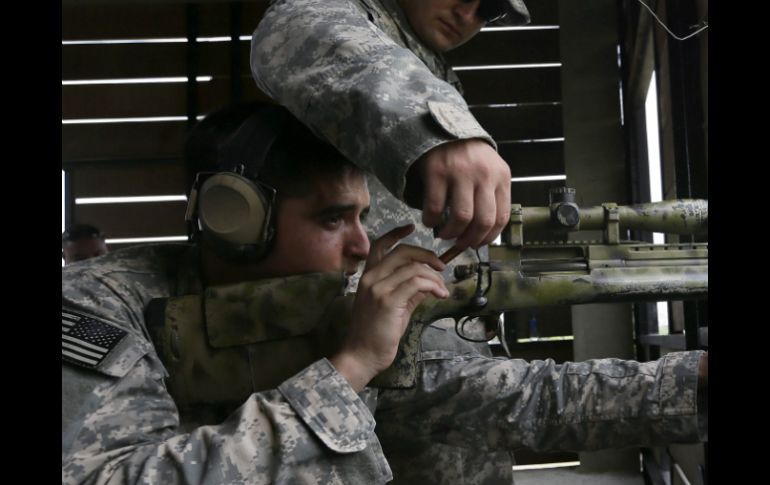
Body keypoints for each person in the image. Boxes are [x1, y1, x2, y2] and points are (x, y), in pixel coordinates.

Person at [62, 105, 706, 484]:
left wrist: (694, 384)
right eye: (331, 220)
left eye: (362, 216)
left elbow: (530, 400)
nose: (363, 246)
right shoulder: (97, 304)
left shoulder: (335, 310)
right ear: (235, 218)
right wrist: (347, 372)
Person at [251, 0, 531, 263]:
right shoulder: (329, 13)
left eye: (490, 8)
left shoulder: (431, 68)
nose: (467, 14)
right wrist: (445, 132)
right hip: (360, 307)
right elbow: (299, 28)